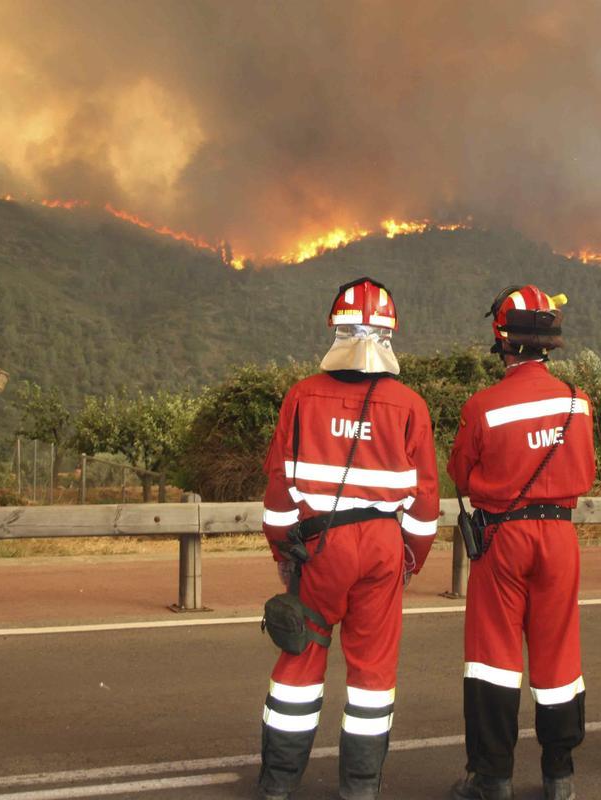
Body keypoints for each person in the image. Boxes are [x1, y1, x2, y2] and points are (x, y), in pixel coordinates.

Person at [257, 277, 440, 800]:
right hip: (384, 548)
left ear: (335, 329)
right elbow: (424, 502)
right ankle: (360, 788)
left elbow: (278, 488)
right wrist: (410, 560)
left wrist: (284, 557)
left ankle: (277, 784)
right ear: (390, 337)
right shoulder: (409, 405)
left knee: (300, 655)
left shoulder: (302, 396)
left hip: (317, 548)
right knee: (373, 670)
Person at [447, 285, 596, 800]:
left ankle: (492, 778)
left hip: (502, 539)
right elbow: (588, 472)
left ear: (503, 341)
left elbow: (460, 475)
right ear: (549, 342)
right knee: (558, 658)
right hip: (559, 536)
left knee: (493, 658)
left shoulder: (483, 405)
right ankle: (560, 776)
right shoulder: (580, 403)